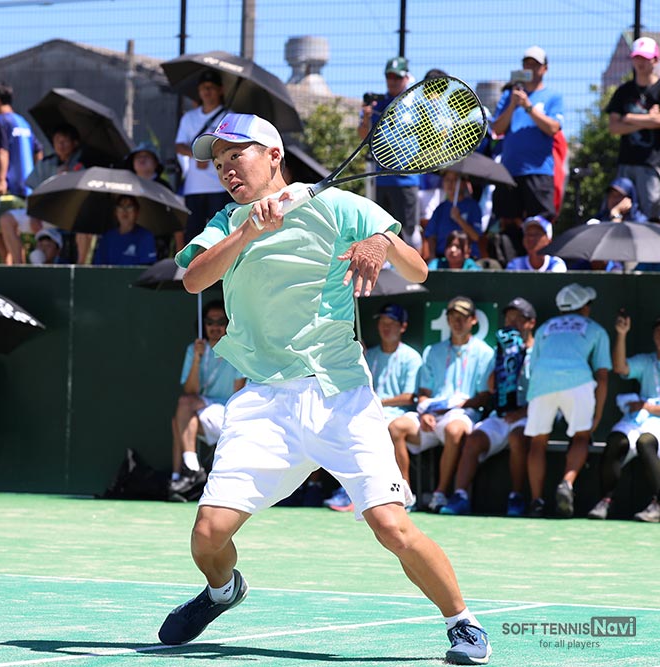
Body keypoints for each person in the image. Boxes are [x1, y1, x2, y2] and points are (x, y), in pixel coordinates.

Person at [158, 113, 491, 665]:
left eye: (236, 156)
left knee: (391, 526)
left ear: (273, 155)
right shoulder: (225, 220)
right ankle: (222, 590)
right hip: (263, 399)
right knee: (207, 536)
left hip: (339, 394)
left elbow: (418, 270)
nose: (226, 170)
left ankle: (463, 623)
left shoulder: (339, 206)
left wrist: (381, 243)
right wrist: (248, 230)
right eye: (217, 164)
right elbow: (194, 279)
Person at [388, 296, 494, 512]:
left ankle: (441, 493)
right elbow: (424, 394)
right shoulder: (432, 351)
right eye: (453, 317)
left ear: (473, 320)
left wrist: (453, 407)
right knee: (396, 427)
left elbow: (484, 396)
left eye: (462, 317)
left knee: (454, 430)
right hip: (430, 415)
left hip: (462, 414)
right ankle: (404, 494)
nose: (457, 322)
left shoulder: (485, 353)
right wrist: (426, 411)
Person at [440, 298, 537, 516]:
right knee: (473, 439)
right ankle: (460, 496)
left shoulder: (539, 351)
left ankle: (516, 497)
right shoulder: (500, 349)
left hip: (528, 414)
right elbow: (492, 387)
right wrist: (505, 358)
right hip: (501, 415)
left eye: (518, 318)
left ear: (531, 323)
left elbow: (542, 394)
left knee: (517, 438)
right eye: (508, 318)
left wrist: (522, 412)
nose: (512, 323)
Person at [524, 283, 611, 518]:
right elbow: (602, 376)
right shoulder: (596, 329)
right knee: (582, 436)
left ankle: (536, 501)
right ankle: (567, 483)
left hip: (542, 382)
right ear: (584, 307)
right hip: (578, 383)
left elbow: (533, 367)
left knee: (537, 442)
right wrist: (598, 415)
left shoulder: (544, 328)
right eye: (589, 304)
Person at [327, 303, 423, 512]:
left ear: (403, 327)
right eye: (382, 322)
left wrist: (377, 401)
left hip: (398, 415)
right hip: (368, 413)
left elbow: (409, 397)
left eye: (391, 323)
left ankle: (401, 493)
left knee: (376, 430)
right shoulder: (369, 355)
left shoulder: (412, 357)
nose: (385, 327)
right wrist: (357, 356)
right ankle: (350, 490)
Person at [169, 300, 246, 500]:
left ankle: (190, 471)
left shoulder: (236, 350)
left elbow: (238, 394)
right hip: (202, 408)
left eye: (221, 322)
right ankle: (180, 476)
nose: (215, 327)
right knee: (182, 417)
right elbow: (190, 390)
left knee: (184, 408)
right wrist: (197, 359)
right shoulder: (194, 349)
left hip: (227, 412)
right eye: (210, 322)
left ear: (228, 324)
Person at [587, 313, 660, 522]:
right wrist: (621, 334)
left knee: (645, 443)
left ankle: (658, 504)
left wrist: (647, 406)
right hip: (637, 420)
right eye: (658, 332)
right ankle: (606, 500)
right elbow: (620, 368)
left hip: (656, 423)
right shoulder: (647, 361)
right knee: (616, 441)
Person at [490, 47, 563, 244]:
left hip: (539, 171)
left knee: (540, 224)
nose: (530, 68)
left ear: (545, 68)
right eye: (526, 64)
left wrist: (528, 106)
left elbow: (553, 128)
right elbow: (497, 128)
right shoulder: (509, 96)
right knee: (508, 226)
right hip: (510, 172)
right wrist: (513, 104)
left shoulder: (553, 97)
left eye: (535, 64)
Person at [0, 123, 85, 265]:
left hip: (70, 217)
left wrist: (69, 178)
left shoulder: (83, 164)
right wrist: (34, 214)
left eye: (65, 141)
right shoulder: (46, 163)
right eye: (57, 141)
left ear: (75, 143)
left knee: (85, 224)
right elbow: (34, 192)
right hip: (44, 216)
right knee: (6, 220)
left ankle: (81, 266)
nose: (60, 145)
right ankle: (18, 265)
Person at [359, 57, 422, 249]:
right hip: (381, 178)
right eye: (389, 76)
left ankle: (416, 265)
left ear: (406, 78)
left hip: (406, 179)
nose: (393, 81)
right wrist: (366, 117)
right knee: (382, 231)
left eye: (397, 77)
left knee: (409, 230)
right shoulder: (378, 104)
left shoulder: (416, 102)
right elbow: (363, 136)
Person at [0, 83, 44, 262]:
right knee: (13, 229)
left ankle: (11, 267)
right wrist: (36, 176)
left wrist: (2, 180)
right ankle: (18, 265)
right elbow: (39, 151)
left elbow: (3, 151)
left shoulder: (2, 120)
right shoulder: (23, 122)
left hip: (8, 186)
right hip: (26, 187)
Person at [174, 70, 233, 242]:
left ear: (220, 90)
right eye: (203, 87)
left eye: (211, 87)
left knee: (220, 234)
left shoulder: (229, 116)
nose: (207, 91)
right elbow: (179, 146)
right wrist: (196, 155)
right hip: (194, 188)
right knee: (193, 235)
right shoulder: (189, 117)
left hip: (220, 186)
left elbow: (232, 147)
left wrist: (209, 155)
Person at [606, 36, 660, 221]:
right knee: (622, 210)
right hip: (626, 162)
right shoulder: (624, 91)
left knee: (652, 213)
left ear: (655, 60)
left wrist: (628, 118)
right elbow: (614, 127)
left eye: (645, 58)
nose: (640, 62)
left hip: (652, 164)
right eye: (637, 57)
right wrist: (649, 119)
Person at [424, 172, 483, 261]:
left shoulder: (473, 206)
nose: (450, 184)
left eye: (455, 180)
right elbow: (431, 235)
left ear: (464, 183)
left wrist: (459, 219)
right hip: (442, 258)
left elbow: (476, 236)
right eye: (447, 180)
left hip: (467, 259)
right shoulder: (440, 208)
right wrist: (432, 256)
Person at [91, 195, 157, 266]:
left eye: (129, 207)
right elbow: (98, 266)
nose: (125, 211)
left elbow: (147, 268)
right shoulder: (107, 237)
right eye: (120, 207)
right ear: (115, 212)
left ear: (137, 212)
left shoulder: (146, 237)